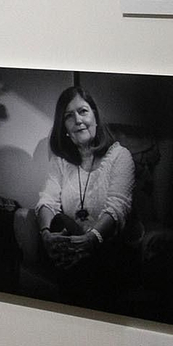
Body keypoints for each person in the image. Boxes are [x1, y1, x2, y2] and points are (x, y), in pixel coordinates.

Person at [34, 86, 134, 276]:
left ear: (95, 117)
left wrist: (92, 238)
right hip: (71, 243)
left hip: (109, 248)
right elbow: (48, 199)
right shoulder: (60, 161)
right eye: (69, 116)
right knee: (56, 224)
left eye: (83, 111)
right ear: (64, 128)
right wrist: (45, 233)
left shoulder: (120, 156)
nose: (78, 120)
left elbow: (117, 206)